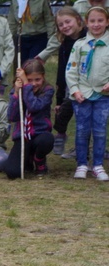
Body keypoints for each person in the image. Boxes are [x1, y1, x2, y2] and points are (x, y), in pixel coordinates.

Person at [65, 6, 109, 181]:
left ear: (107, 22)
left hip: (103, 96)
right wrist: (75, 90)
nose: (96, 24)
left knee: (100, 130)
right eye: (92, 21)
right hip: (82, 95)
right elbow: (70, 70)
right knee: (82, 130)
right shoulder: (79, 45)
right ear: (86, 23)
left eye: (100, 20)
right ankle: (82, 164)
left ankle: (97, 165)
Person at [0, 60, 54, 179]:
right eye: (29, 79)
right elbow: (12, 117)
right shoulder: (17, 90)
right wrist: (16, 93)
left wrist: (26, 85)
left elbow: (33, 106)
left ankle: (39, 159)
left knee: (47, 140)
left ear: (43, 77)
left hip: (40, 134)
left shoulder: (47, 91)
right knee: (12, 172)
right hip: (23, 136)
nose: (33, 84)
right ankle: (28, 159)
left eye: (37, 79)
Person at [49, 8, 86, 157]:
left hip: (88, 85)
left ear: (78, 19)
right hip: (70, 85)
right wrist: (58, 99)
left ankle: (82, 149)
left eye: (67, 21)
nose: (65, 26)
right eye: (60, 24)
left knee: (84, 119)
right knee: (63, 111)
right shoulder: (64, 43)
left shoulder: (89, 37)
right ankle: (61, 134)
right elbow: (61, 70)